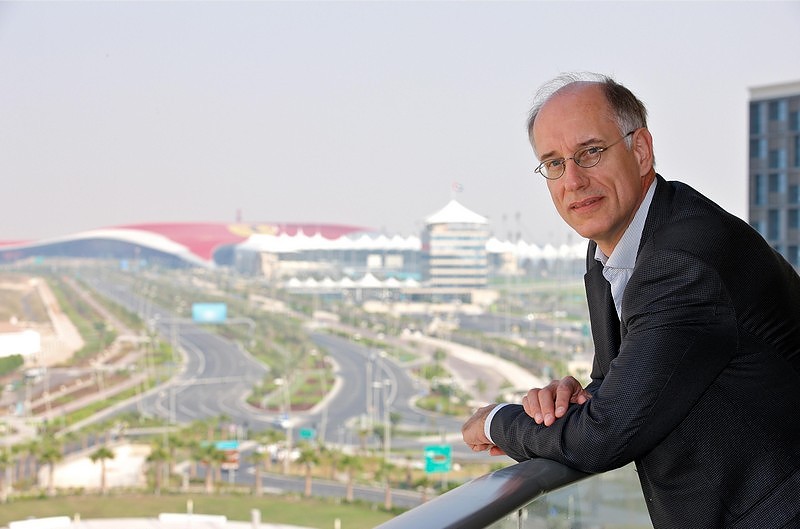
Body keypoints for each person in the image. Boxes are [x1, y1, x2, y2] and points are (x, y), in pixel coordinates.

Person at [461, 72, 800, 528]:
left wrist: (495, 420)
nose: (573, 180)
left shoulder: (681, 261)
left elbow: (603, 436)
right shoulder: (615, 247)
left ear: (640, 150)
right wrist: (568, 401)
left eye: (590, 152)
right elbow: (622, 382)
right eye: (554, 163)